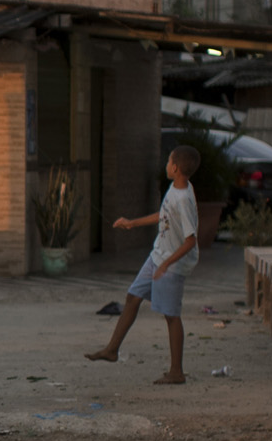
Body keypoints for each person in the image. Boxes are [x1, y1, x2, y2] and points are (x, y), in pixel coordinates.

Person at [86, 143, 202, 384]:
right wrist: (132, 223)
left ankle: (176, 372)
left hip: (171, 264)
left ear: (176, 167)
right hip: (157, 256)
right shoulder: (176, 188)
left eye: (169, 161)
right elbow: (163, 216)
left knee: (171, 315)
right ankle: (112, 350)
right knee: (132, 298)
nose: (166, 164)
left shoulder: (184, 199)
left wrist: (167, 264)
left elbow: (191, 241)